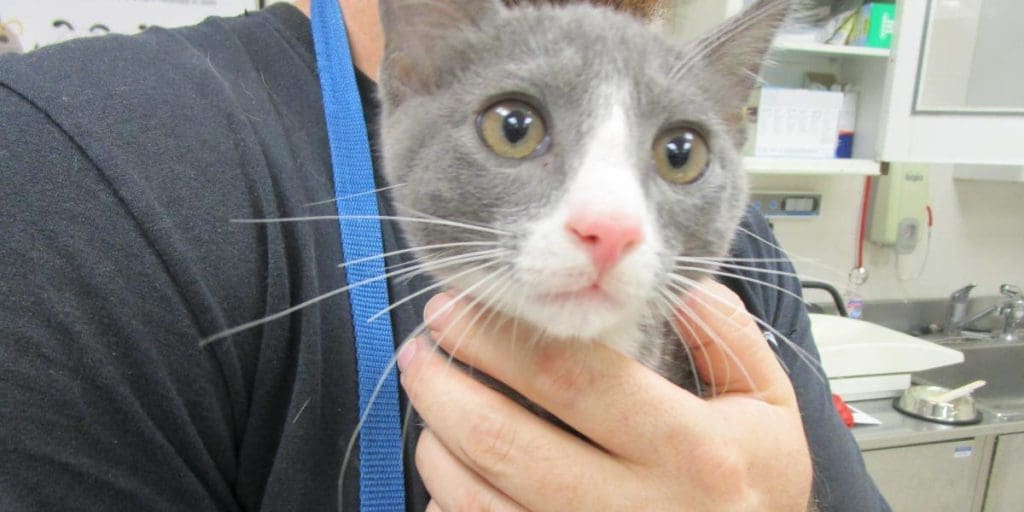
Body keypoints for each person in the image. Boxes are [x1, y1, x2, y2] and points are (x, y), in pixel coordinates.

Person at [0, 0, 889, 510]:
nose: (614, 223)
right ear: (417, 67)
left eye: (680, 155)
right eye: (517, 128)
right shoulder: (68, 168)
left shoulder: (743, 277)